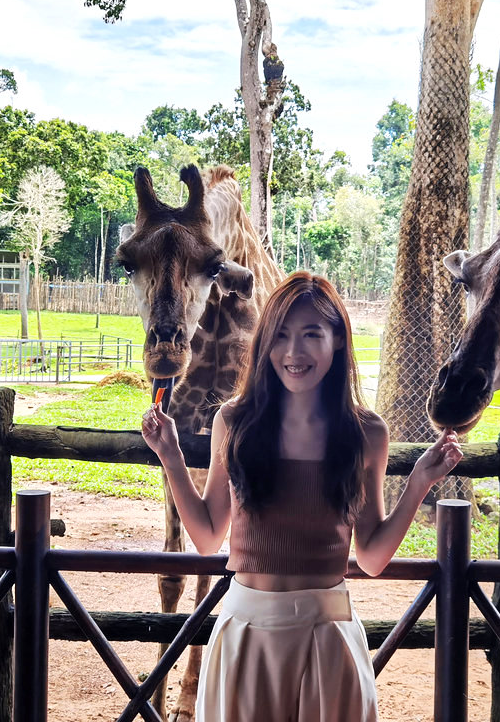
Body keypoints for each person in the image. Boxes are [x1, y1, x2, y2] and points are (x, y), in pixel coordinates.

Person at [140, 271, 462, 722]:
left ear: (338, 341)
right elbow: (210, 536)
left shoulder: (366, 432)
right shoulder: (233, 422)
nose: (294, 352)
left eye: (312, 334)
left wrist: (418, 484)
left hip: (327, 636)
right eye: (282, 336)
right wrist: (171, 457)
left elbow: (369, 557)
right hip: (245, 633)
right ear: (265, 343)